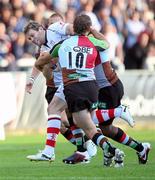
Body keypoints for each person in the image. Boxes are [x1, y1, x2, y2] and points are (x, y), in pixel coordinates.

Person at [40, 14, 125, 167]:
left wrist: (41, 64)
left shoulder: (63, 43)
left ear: (73, 27)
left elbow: (45, 60)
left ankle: (50, 151)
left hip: (73, 86)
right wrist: (92, 30)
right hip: (92, 87)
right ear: (87, 28)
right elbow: (106, 43)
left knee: (80, 122)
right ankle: (85, 151)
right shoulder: (93, 42)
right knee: (85, 123)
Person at [24, 13, 97, 163]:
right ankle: (83, 150)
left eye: (32, 35)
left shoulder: (54, 29)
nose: (32, 40)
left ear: (39, 28)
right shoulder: (42, 51)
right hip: (64, 83)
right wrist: (44, 69)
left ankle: (57, 151)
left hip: (76, 78)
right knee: (69, 119)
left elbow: (73, 29)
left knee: (65, 115)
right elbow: (48, 75)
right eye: (29, 39)